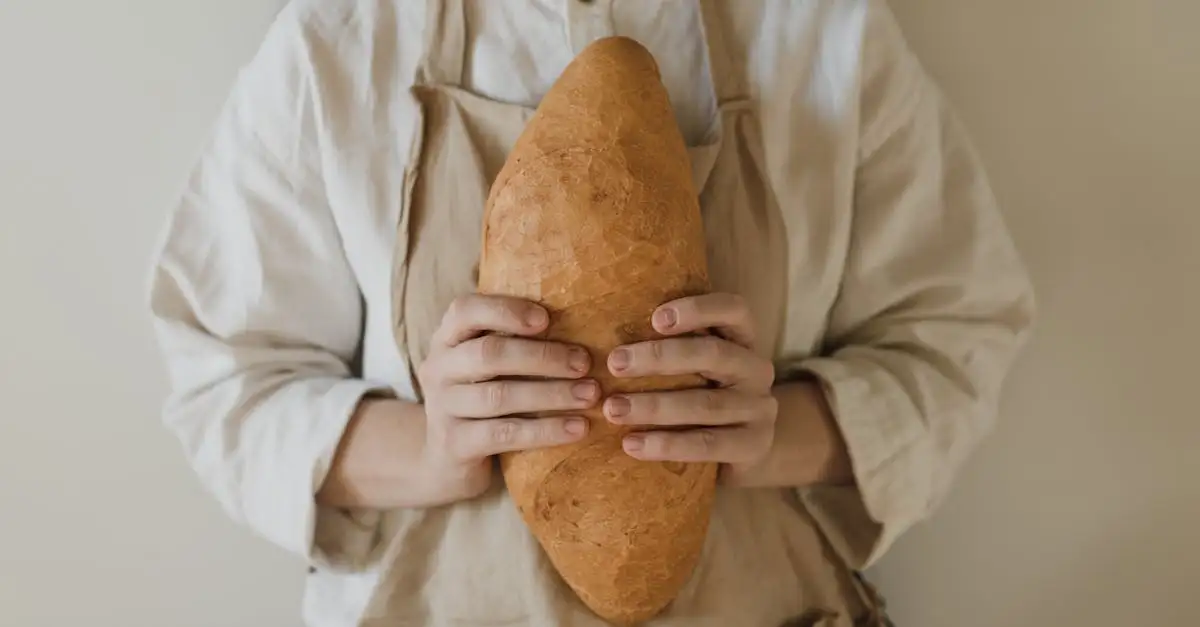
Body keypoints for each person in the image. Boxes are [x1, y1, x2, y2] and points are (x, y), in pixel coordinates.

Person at [146, 0, 1035, 625]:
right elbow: (224, 382)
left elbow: (956, 338)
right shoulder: (341, 41)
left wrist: (769, 436)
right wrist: (431, 445)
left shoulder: (822, 35)